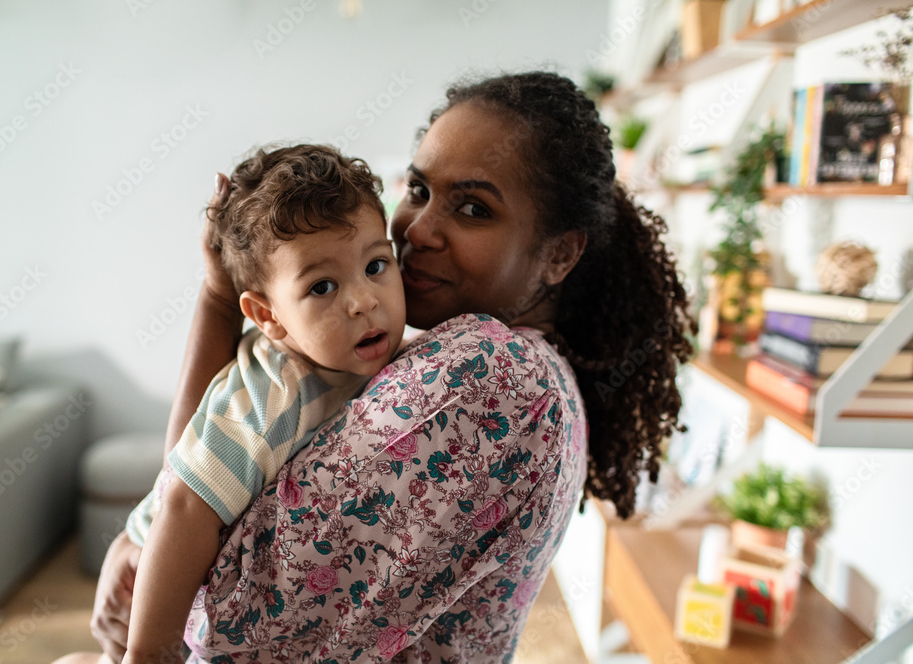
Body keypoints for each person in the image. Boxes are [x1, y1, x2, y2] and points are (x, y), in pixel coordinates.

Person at [83, 70, 695, 663]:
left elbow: (225, 620)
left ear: (559, 253)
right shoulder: (449, 358)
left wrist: (146, 551)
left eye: (474, 209)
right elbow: (204, 466)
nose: (419, 231)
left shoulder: (494, 375)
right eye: (420, 191)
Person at [64, 145, 407, 663]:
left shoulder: (369, 356)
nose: (363, 300)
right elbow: (183, 505)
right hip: (160, 579)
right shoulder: (275, 396)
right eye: (322, 286)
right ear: (268, 317)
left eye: (376, 265)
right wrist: (148, 653)